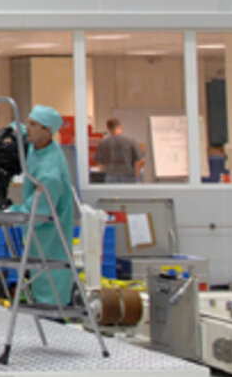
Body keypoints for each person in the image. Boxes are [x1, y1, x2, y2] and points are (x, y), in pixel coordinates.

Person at [13, 104, 79, 306]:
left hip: (50, 237)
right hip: (35, 238)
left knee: (50, 293)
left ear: (48, 130)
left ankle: (56, 322)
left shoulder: (51, 172)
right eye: (27, 122)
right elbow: (18, 131)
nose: (27, 129)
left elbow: (38, 211)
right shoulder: (38, 146)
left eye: (33, 124)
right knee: (37, 279)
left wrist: (10, 213)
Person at [93, 117, 144, 184]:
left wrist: (105, 171)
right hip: (128, 177)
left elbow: (99, 163)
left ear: (108, 128)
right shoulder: (131, 141)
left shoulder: (103, 143)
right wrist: (137, 175)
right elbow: (140, 161)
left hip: (111, 177)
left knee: (112, 194)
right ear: (120, 127)